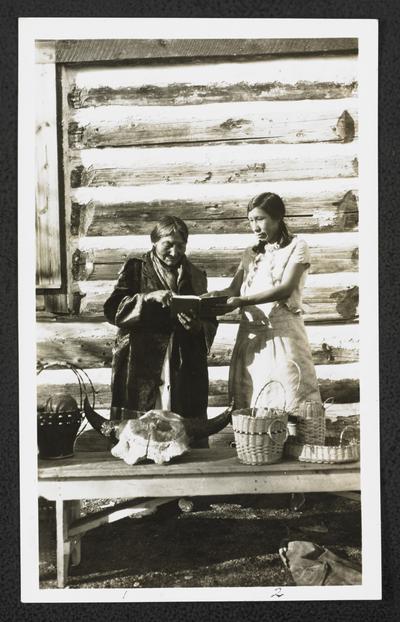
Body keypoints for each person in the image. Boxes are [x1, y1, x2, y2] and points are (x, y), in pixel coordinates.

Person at [206, 192, 322, 508]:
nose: (256, 226)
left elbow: (285, 288)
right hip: (252, 336)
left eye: (260, 219)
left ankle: (299, 483)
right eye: (251, 221)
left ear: (278, 217)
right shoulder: (250, 254)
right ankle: (257, 478)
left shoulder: (298, 247)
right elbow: (233, 290)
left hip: (283, 332)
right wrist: (210, 299)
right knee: (253, 401)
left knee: (290, 398)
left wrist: (244, 301)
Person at [104, 215, 217, 447]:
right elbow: (112, 309)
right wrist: (146, 299)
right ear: (154, 242)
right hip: (141, 356)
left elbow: (209, 318)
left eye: (181, 245)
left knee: (179, 416)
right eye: (168, 244)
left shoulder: (195, 274)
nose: (175, 252)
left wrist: (197, 326)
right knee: (144, 415)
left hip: (183, 360)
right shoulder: (136, 268)